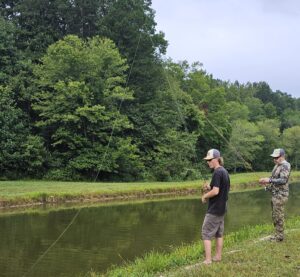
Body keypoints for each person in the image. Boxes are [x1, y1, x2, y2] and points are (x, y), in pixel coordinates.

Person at [201, 149, 230, 265]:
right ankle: (217, 256)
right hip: (222, 208)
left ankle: (208, 260)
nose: (208, 162)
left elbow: (216, 191)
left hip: (214, 209)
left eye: (209, 160)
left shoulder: (217, 172)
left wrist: (205, 196)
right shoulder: (224, 171)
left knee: (206, 233)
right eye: (207, 160)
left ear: (216, 159)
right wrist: (209, 187)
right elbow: (220, 188)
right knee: (218, 233)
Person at [259, 148, 291, 242]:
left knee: (278, 215)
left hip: (281, 196)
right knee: (275, 215)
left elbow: (283, 180)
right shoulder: (277, 165)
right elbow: (274, 180)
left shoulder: (285, 165)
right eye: (273, 157)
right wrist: (266, 184)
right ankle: (277, 234)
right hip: (275, 195)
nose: (274, 159)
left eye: (276, 157)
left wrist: (269, 180)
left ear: (282, 156)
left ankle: (279, 237)